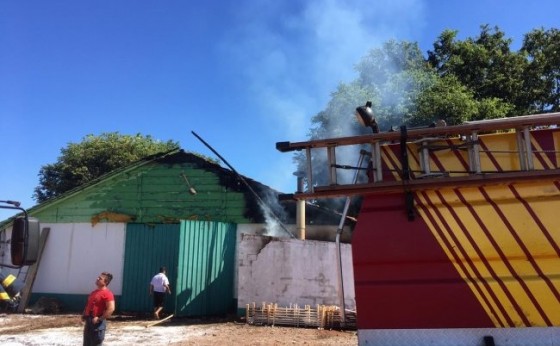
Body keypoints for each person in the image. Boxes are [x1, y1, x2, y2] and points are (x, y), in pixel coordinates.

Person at [82, 272, 115, 346]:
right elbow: (88, 305)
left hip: (97, 325)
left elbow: (111, 308)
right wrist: (84, 314)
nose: (97, 279)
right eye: (98, 277)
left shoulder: (108, 293)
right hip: (89, 323)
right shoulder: (94, 292)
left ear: (105, 282)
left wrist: (100, 319)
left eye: (100, 278)